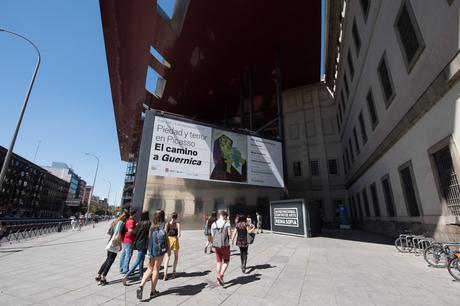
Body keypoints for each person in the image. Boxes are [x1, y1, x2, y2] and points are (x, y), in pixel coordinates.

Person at [136, 210, 168, 301]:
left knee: (149, 269)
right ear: (162, 216)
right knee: (156, 269)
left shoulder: (152, 225)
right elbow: (166, 237)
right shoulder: (164, 224)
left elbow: (149, 237)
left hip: (150, 250)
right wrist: (168, 249)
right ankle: (153, 291)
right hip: (159, 251)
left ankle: (141, 286)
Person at [95, 212, 128, 285]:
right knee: (110, 261)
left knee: (107, 259)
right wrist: (120, 245)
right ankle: (103, 278)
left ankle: (98, 275)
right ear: (125, 218)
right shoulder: (121, 223)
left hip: (110, 242)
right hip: (114, 244)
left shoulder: (115, 221)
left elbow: (111, 233)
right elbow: (118, 233)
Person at [122, 211, 151, 285]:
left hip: (138, 243)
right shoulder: (148, 223)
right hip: (144, 244)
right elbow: (149, 235)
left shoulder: (139, 223)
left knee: (141, 259)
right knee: (138, 260)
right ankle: (126, 275)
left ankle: (141, 275)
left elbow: (134, 233)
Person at [211, 210, 232, 286]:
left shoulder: (213, 224)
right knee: (226, 261)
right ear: (224, 216)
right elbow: (230, 235)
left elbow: (213, 235)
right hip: (225, 245)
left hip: (216, 245)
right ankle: (221, 275)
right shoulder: (227, 223)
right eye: (226, 216)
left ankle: (218, 277)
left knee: (218, 261)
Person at [163, 212, 181, 280]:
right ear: (176, 217)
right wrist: (177, 234)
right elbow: (179, 234)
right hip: (175, 240)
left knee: (167, 258)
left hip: (168, 240)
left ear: (171, 217)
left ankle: (165, 275)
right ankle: (174, 272)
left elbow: (165, 233)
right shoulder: (177, 224)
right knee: (176, 257)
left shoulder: (167, 224)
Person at [120, 208, 137, 274]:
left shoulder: (128, 220)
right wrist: (136, 229)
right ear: (134, 213)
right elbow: (130, 231)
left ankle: (122, 268)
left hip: (125, 240)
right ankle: (125, 270)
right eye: (136, 213)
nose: (136, 214)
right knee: (128, 255)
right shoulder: (131, 221)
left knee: (124, 254)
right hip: (129, 240)